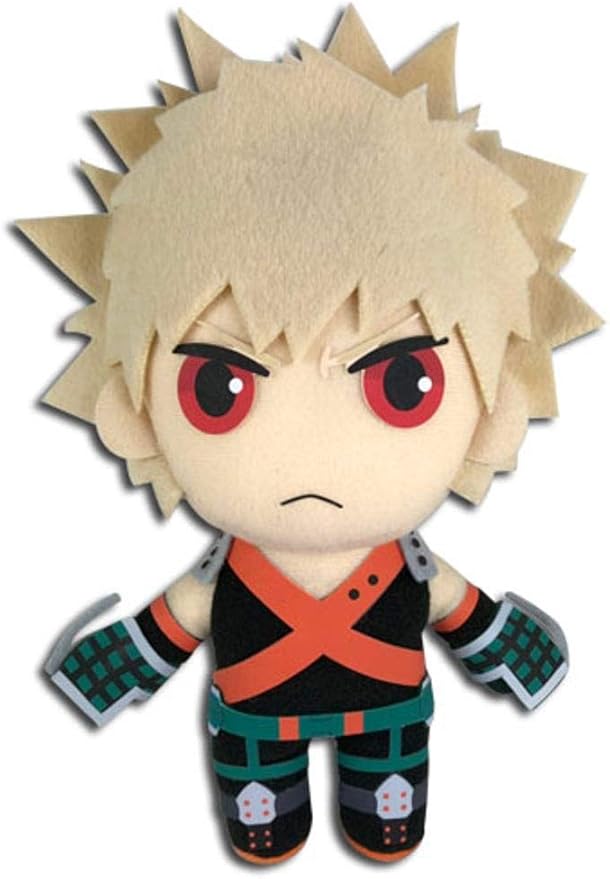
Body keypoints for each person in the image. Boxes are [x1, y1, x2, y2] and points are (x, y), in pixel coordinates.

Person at [17, 6, 601, 865]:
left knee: (386, 808)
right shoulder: (382, 568)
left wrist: (517, 651)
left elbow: (468, 617)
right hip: (261, 719)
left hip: (383, 713)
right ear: (133, 411)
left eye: (403, 383)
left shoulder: (392, 566)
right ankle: (276, 826)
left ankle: (373, 824)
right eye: (218, 389)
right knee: (264, 815)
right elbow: (165, 630)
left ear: (493, 411)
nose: (314, 447)